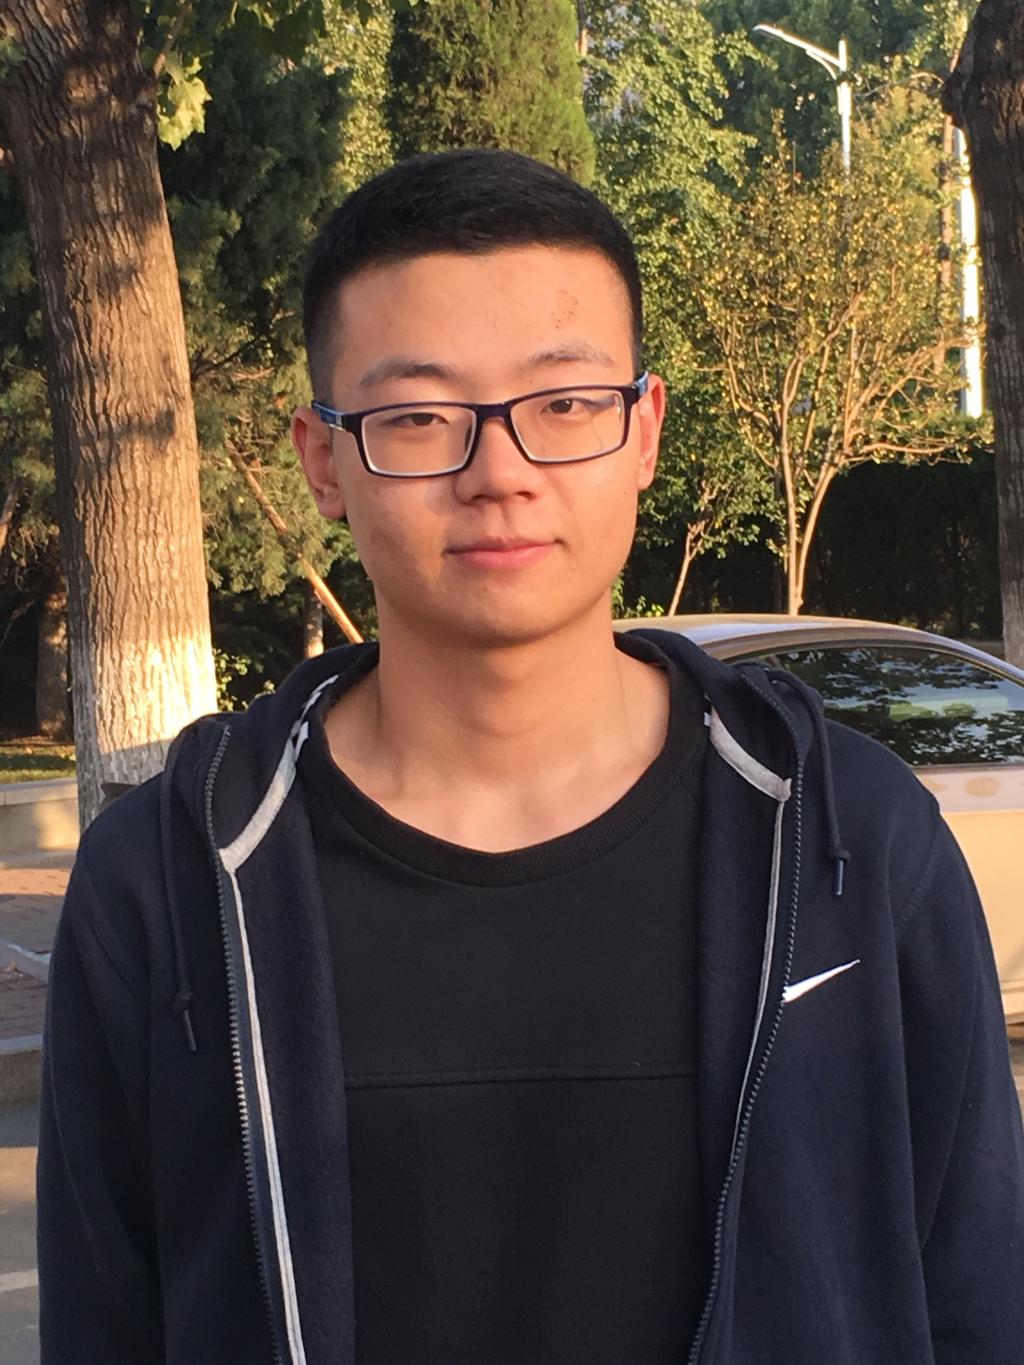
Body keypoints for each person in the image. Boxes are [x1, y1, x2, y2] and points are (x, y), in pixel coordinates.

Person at [37, 148, 1023, 1365]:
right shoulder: (169, 882)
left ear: (643, 430)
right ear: (323, 459)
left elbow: (976, 1290)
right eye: (418, 418)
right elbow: (104, 1320)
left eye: (564, 405)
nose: (497, 474)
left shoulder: (851, 837)